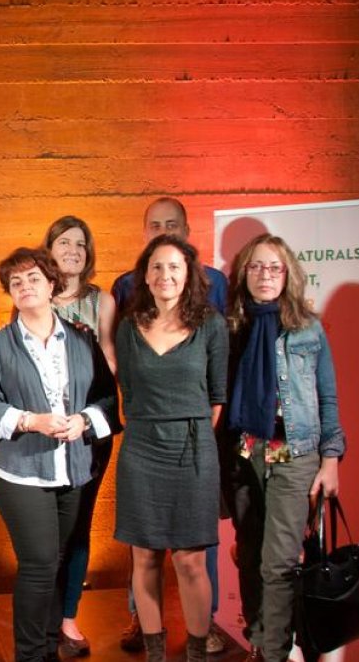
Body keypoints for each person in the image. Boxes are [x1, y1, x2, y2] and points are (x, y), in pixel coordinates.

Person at [0, 247, 119, 662]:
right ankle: (30, 655)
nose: (25, 286)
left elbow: (107, 398)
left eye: (33, 278)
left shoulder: (82, 339)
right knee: (38, 563)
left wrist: (85, 420)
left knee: (59, 559)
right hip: (20, 473)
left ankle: (51, 645)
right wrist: (29, 420)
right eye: (15, 282)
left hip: (73, 469)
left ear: (52, 283)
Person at [110, 197, 228, 655]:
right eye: (157, 268)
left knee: (191, 560)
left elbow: (217, 396)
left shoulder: (210, 325)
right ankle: (156, 651)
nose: (166, 276)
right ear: (145, 274)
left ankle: (197, 649)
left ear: (189, 272)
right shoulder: (127, 326)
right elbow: (129, 393)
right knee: (145, 558)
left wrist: (190, 431)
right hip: (141, 450)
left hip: (194, 449)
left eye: (174, 267)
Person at [222, 234, 345, 662]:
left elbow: (327, 396)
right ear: (243, 273)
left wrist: (331, 459)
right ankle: (260, 638)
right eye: (256, 266)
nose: (265, 275)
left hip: (295, 454)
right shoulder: (231, 324)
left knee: (278, 563)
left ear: (288, 272)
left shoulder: (307, 326)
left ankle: (274, 652)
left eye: (274, 267)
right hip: (243, 455)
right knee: (250, 554)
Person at [40, 215, 117, 657]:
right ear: (49, 249)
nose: (72, 250)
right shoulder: (34, 294)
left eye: (81, 245)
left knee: (79, 526)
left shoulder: (101, 301)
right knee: (46, 531)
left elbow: (110, 365)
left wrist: (81, 415)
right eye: (64, 243)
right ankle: (45, 615)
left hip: (88, 430)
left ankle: (68, 619)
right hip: (44, 430)